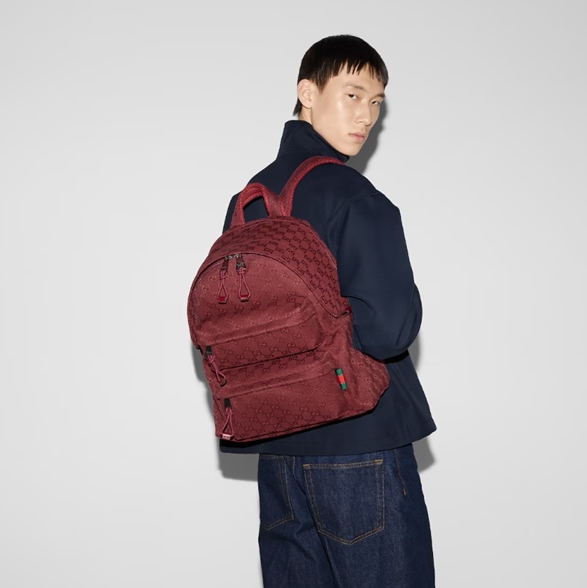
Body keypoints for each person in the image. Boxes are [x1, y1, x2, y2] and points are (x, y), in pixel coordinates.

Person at [220, 35, 437, 588]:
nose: (366, 116)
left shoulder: (247, 202)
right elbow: (390, 329)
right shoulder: (353, 195)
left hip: (279, 450)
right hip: (360, 443)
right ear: (307, 93)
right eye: (353, 94)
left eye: (377, 102)